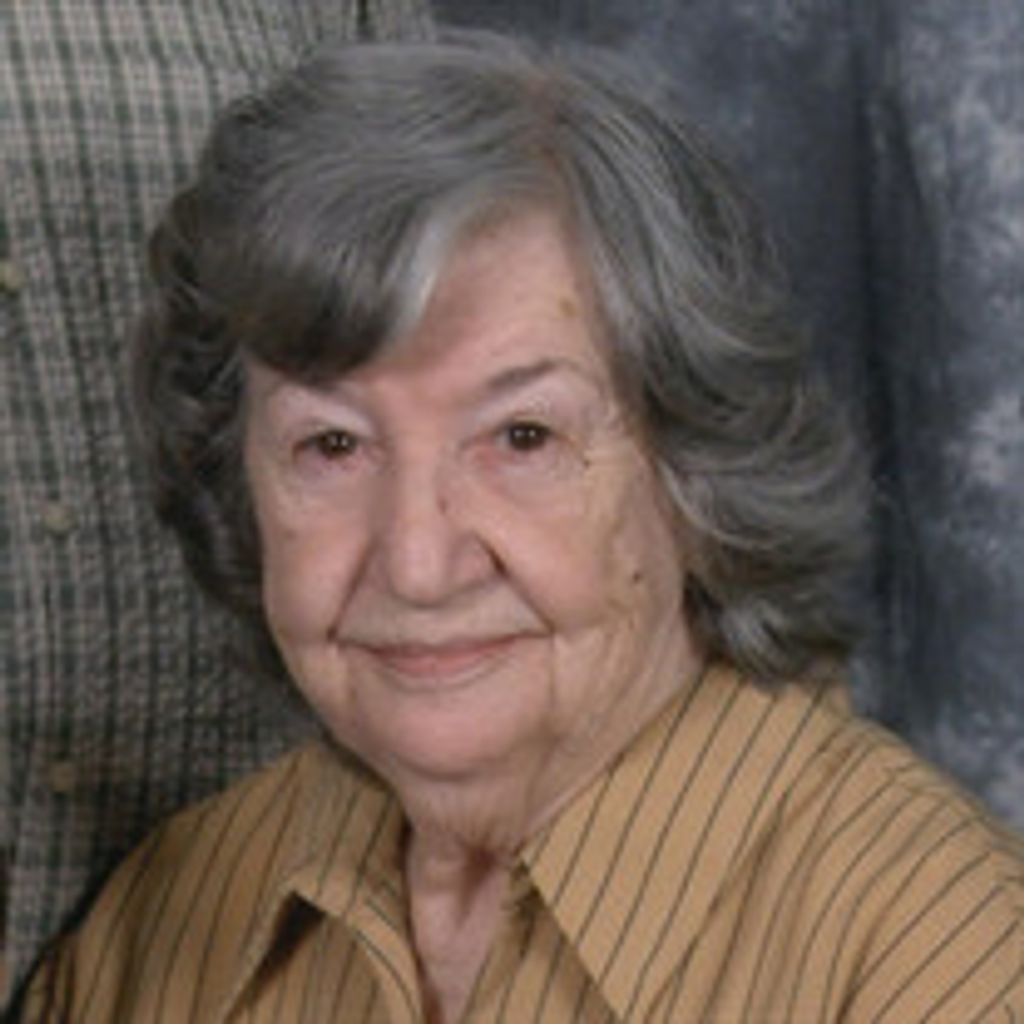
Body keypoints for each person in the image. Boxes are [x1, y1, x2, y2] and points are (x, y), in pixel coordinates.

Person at [20, 30, 1024, 1023]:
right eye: (331, 445)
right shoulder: (153, 935)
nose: (418, 563)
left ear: (695, 465)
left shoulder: (940, 960)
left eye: (522, 436)